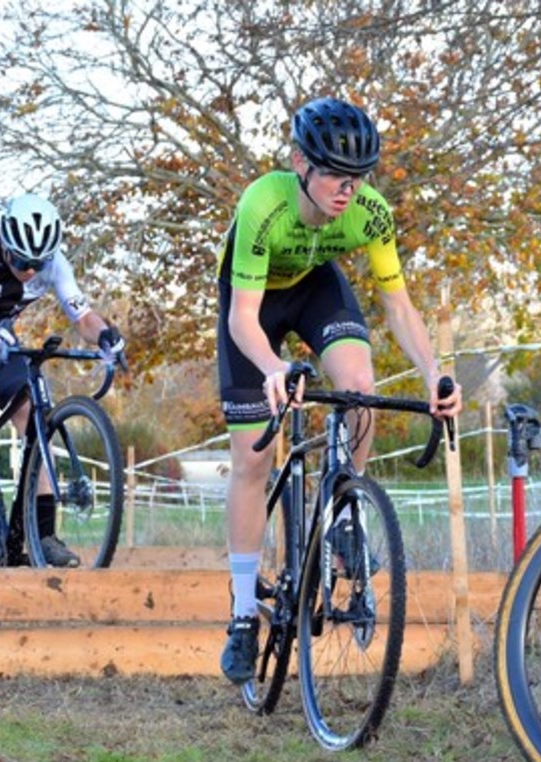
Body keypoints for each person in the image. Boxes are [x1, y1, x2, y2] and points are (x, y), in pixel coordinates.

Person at [216, 97, 463, 683]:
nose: (348, 190)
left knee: (359, 387)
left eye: (359, 177)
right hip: (251, 305)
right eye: (334, 174)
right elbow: (242, 319)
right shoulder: (262, 204)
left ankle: (344, 511)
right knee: (252, 459)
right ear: (300, 162)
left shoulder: (370, 213)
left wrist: (433, 373)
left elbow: (398, 306)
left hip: (314, 286)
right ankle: (244, 613)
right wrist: (274, 368)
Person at [0, 192, 127, 567]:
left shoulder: (55, 265)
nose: (31, 271)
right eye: (21, 261)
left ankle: (42, 533)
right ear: (5, 245)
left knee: (37, 422)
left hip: (1, 346)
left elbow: (83, 317)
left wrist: (105, 336)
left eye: (38, 263)